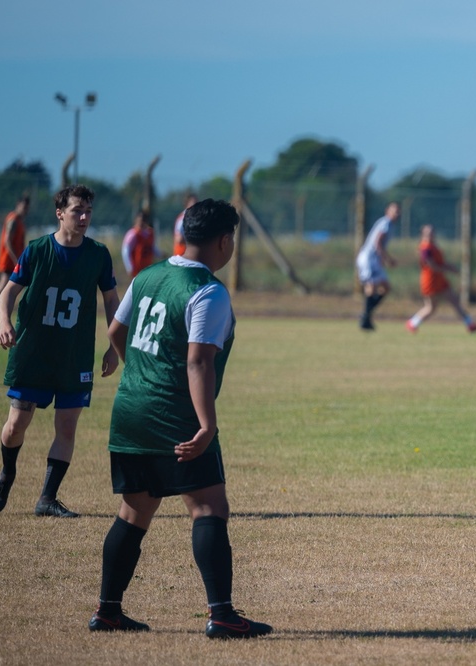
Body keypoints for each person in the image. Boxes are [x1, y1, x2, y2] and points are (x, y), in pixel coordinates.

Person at [89, 198, 272, 639]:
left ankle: (108, 611)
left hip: (130, 412)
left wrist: (129, 367)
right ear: (225, 242)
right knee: (209, 507)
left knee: (134, 511)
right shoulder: (208, 291)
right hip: (176, 416)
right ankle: (222, 614)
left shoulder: (148, 274)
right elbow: (198, 363)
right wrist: (206, 425)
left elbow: (116, 330)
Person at [0, 185, 119, 518]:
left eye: (89, 210)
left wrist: (113, 346)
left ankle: (47, 498)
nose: (85, 217)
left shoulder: (99, 255)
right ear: (60, 213)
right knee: (17, 424)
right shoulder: (36, 251)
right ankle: (7, 473)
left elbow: (112, 302)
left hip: (74, 356)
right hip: (33, 353)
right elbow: (8, 293)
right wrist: (4, 322)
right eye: (77, 210)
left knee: (68, 426)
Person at [405, 224, 476, 333]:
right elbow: (432, 266)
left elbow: (439, 263)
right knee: (431, 307)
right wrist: (448, 269)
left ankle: (470, 324)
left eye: (432, 232)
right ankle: (412, 323)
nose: (431, 235)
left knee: (454, 302)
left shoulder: (433, 246)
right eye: (428, 233)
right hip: (430, 281)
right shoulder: (425, 248)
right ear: (423, 234)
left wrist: (449, 267)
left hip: (440, 280)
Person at [0, 195, 29, 324]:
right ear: (18, 205)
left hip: (15, 260)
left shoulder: (20, 221)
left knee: (5, 286)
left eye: (27, 208)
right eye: (24, 207)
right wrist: (16, 259)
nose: (25, 210)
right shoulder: (13, 219)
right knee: (4, 286)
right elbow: (7, 241)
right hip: (8, 261)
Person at [356, 202, 399, 330]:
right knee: (372, 286)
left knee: (386, 287)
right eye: (394, 210)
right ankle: (366, 319)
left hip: (375, 259)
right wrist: (387, 259)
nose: (397, 213)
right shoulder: (385, 223)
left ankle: (366, 315)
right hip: (369, 258)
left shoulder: (390, 225)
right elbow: (378, 242)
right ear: (387, 211)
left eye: (398, 211)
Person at [121, 210, 161, 279]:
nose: (141, 223)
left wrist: (160, 254)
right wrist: (129, 267)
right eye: (139, 220)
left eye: (143, 220)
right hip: (137, 269)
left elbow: (152, 248)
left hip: (147, 267)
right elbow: (125, 251)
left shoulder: (149, 233)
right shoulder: (133, 234)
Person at [173, 193, 197, 257]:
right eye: (193, 203)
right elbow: (179, 239)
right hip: (181, 254)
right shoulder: (182, 218)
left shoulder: (194, 218)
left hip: (189, 255)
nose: (196, 205)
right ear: (187, 204)